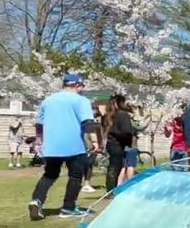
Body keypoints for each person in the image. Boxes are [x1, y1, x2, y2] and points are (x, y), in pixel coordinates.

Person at [28, 73, 100, 220]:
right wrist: (95, 141)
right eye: (82, 86)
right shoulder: (82, 101)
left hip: (52, 146)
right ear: (78, 85)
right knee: (75, 176)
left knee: (49, 175)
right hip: (74, 145)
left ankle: (36, 200)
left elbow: (39, 124)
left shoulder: (48, 100)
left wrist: (40, 140)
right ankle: (68, 208)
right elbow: (88, 123)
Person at [103, 94, 134, 193]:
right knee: (115, 168)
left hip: (111, 144)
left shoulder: (108, 115)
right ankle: (111, 190)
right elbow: (127, 131)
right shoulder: (123, 115)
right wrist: (128, 141)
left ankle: (110, 188)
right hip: (119, 144)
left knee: (113, 167)